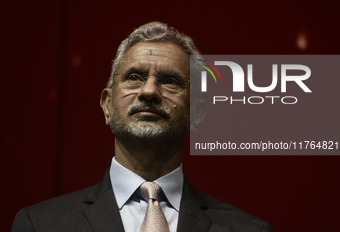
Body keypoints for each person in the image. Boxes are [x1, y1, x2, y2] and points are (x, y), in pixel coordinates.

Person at [12, 22, 274, 232]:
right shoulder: (40, 225)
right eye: (134, 77)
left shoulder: (249, 229)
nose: (149, 91)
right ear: (106, 105)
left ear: (197, 115)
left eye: (170, 81)